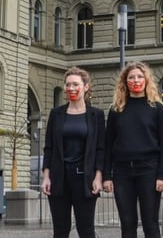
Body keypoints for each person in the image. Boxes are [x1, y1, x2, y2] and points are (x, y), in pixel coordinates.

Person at [104, 62, 163, 238]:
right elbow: (108, 144)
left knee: (151, 224)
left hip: (149, 170)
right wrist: (107, 176)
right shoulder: (116, 110)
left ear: (147, 80)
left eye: (140, 76)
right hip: (122, 172)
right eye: (131, 77)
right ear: (125, 82)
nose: (136, 80)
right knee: (127, 224)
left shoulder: (157, 109)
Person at [42, 67, 105, 238]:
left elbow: (100, 149)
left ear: (85, 87)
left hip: (85, 178)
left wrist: (98, 177)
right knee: (60, 230)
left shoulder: (96, 115)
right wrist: (46, 176)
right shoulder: (56, 114)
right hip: (59, 177)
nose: (71, 88)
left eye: (75, 84)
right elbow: (49, 147)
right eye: (68, 84)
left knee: (86, 230)